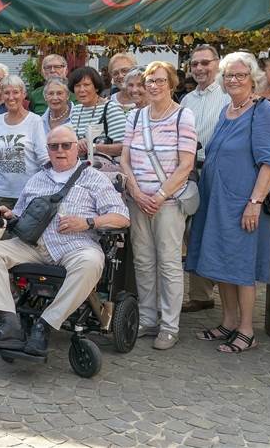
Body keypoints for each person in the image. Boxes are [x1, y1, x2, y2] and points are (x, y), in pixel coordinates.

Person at [0, 126, 130, 353]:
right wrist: (9, 215)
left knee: (91, 262)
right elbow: (21, 215)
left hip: (75, 246)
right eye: (54, 146)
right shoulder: (37, 178)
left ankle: (44, 325)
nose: (60, 150)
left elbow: (122, 217)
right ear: (47, 149)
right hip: (35, 245)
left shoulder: (94, 178)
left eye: (66, 145)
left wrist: (88, 222)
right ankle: (8, 324)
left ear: (77, 148)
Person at [186, 52, 270, 354]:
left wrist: (255, 202)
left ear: (253, 78)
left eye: (240, 75)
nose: (234, 80)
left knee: (241, 265)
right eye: (228, 76)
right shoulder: (228, 111)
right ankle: (227, 322)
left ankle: (246, 330)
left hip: (243, 202)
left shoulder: (262, 111)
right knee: (220, 263)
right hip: (217, 202)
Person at [120, 62, 197, 351]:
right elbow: (125, 159)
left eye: (159, 80)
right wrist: (137, 192)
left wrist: (160, 195)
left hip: (169, 203)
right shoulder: (136, 117)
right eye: (149, 81)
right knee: (143, 261)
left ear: (172, 83)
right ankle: (148, 318)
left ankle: (169, 326)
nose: (153, 86)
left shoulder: (183, 117)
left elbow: (186, 164)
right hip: (138, 200)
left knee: (168, 263)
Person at [180, 44, 230, 313]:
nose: (199, 68)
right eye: (195, 64)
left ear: (217, 63)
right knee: (192, 231)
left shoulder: (226, 94)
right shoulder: (187, 100)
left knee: (213, 230)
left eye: (205, 63)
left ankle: (220, 296)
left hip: (214, 170)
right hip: (189, 172)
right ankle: (201, 295)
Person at [0, 75, 50, 211]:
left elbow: (43, 157)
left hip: (28, 192)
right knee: (1, 232)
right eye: (6, 92)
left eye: (15, 92)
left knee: (26, 232)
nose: (11, 97)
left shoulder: (35, 121)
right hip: (1, 193)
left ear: (24, 94)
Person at [68, 66, 127, 159]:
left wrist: (93, 147)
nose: (81, 90)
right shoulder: (75, 110)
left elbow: (124, 147)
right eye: (77, 86)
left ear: (96, 87)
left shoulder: (110, 109)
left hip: (104, 168)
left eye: (86, 85)